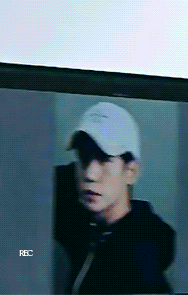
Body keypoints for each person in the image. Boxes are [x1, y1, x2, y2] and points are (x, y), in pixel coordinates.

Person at [54, 102, 175, 294]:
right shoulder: (78, 215)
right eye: (84, 157)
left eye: (105, 159)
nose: (90, 175)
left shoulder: (141, 268)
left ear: (131, 172)